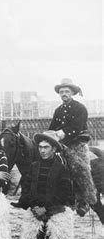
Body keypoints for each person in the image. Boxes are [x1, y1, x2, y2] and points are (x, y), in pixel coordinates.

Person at [13, 131, 75, 239]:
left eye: (46, 147)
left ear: (54, 149)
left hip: (55, 214)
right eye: (40, 147)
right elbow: (26, 189)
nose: (42, 150)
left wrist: (46, 208)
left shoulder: (62, 169)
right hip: (35, 214)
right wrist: (33, 206)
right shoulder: (33, 167)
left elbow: (66, 195)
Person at [48, 78, 97, 215]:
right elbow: (52, 127)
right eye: (61, 91)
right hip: (60, 144)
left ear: (72, 93)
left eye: (66, 91)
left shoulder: (80, 108)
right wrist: (48, 135)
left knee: (79, 166)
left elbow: (77, 127)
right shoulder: (58, 110)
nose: (64, 94)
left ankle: (85, 200)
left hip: (76, 143)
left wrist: (62, 132)